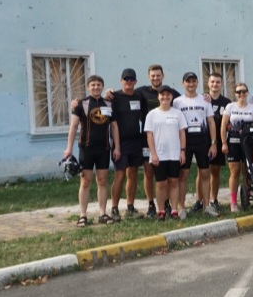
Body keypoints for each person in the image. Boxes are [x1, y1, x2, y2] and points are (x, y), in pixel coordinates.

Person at [63, 74, 120, 226]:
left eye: (98, 85)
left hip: (104, 149)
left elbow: (114, 127)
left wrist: (117, 147)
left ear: (102, 86)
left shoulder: (108, 104)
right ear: (88, 87)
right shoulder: (81, 104)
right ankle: (83, 215)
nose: (96, 87)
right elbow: (74, 126)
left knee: (102, 181)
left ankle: (102, 213)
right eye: (93, 85)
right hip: (86, 149)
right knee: (85, 181)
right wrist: (69, 147)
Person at [132, 65, 179, 218]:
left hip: (167, 142)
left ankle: (165, 203)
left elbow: (186, 99)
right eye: (153, 76)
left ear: (163, 76)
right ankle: (151, 203)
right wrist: (109, 93)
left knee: (165, 177)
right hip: (148, 138)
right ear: (148, 77)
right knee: (149, 172)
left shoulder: (170, 92)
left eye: (158, 75)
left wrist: (205, 97)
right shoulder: (141, 92)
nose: (155, 78)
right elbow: (126, 95)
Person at [173, 71, 218, 216]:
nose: (191, 84)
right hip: (185, 141)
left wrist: (213, 143)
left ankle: (206, 206)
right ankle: (182, 208)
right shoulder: (177, 102)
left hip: (203, 140)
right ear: (183, 83)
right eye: (188, 81)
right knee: (183, 174)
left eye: (193, 81)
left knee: (205, 172)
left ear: (197, 83)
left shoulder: (205, 100)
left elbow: (211, 122)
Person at [108, 68, 150, 221]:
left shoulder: (139, 97)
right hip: (120, 142)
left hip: (135, 141)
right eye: (126, 79)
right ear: (121, 81)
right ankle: (114, 208)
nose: (129, 82)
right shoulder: (114, 97)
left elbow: (144, 117)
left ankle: (130, 207)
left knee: (132, 174)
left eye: (132, 79)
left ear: (136, 81)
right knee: (119, 175)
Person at [145, 87, 186, 221]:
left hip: (174, 154)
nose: (165, 97)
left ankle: (174, 210)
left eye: (168, 95)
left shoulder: (178, 113)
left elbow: (182, 133)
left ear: (171, 97)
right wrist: (153, 154)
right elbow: (149, 135)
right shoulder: (152, 114)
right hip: (159, 155)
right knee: (161, 183)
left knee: (174, 182)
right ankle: (161, 210)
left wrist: (182, 151)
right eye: (162, 95)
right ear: (158, 97)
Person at [221, 82, 253, 212]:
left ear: (247, 93)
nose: (241, 94)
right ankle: (233, 203)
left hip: (248, 142)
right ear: (235, 94)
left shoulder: (252, 108)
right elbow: (223, 126)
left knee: (247, 171)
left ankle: (247, 199)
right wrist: (224, 143)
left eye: (243, 91)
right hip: (233, 142)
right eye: (238, 92)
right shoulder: (230, 106)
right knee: (235, 171)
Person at [205, 72, 231, 215]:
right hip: (203, 141)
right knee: (202, 172)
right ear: (208, 83)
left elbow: (229, 122)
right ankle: (201, 201)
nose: (215, 84)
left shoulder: (226, 102)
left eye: (217, 82)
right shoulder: (203, 99)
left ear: (221, 84)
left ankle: (213, 199)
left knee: (215, 171)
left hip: (219, 142)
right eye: (212, 82)